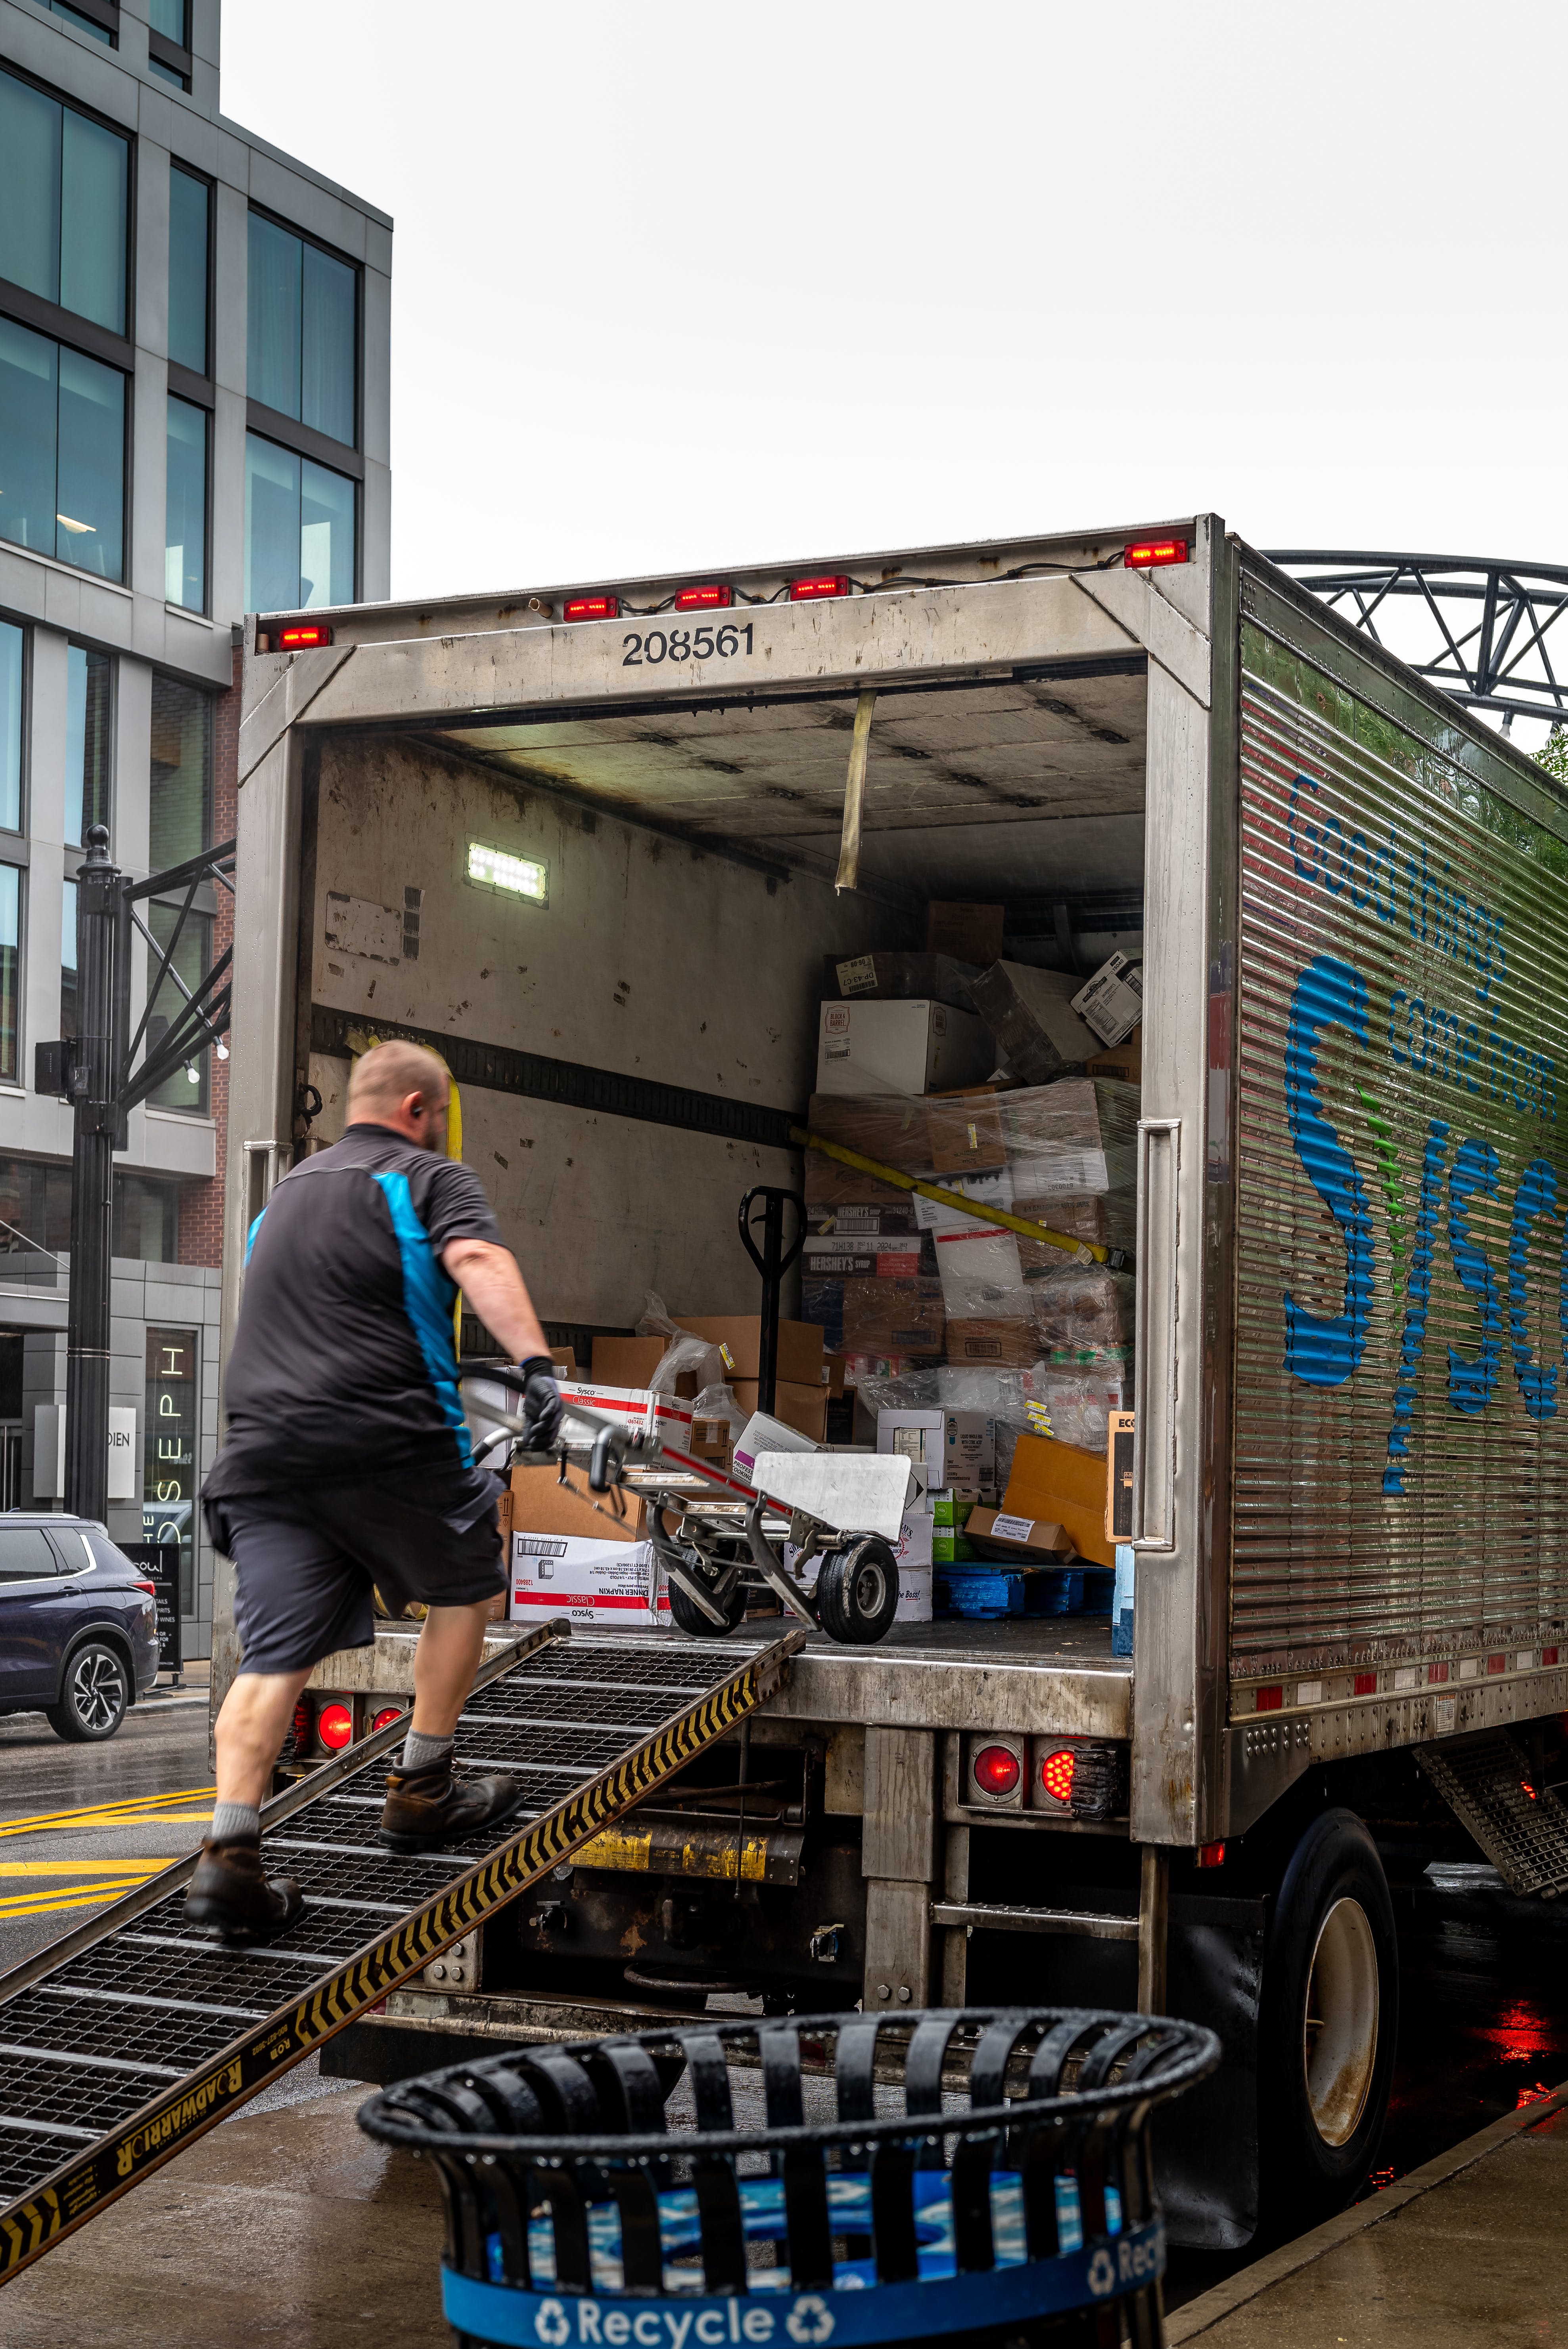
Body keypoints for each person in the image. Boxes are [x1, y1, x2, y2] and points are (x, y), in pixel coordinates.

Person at [186, 1039, 563, 1945]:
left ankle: (229, 1856)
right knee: (470, 1579)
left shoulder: (282, 1198)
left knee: (274, 1658)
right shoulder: (429, 1175)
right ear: (419, 1110)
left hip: (264, 1454)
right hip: (387, 1436)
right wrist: (540, 1370)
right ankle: (423, 1785)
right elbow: (478, 1261)